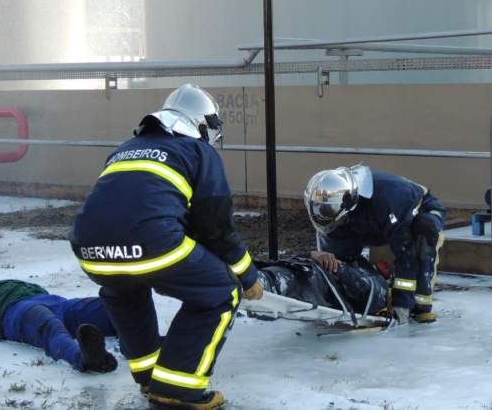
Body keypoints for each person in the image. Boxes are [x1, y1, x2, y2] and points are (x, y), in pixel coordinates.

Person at [70, 84, 262, 410]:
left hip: (91, 252)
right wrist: (246, 275)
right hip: (151, 245)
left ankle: (148, 378)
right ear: (202, 124)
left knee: (124, 290)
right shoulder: (199, 151)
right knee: (219, 291)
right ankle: (177, 388)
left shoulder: (126, 147)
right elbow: (215, 225)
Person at [304, 164, 446, 324]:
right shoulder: (338, 209)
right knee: (342, 261)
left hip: (419, 211)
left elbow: (407, 255)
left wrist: (402, 305)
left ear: (349, 203)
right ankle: (375, 285)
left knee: (423, 235)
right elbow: (338, 261)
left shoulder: (389, 198)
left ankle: (421, 306)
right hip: (370, 221)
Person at [255, 256, 390, 318]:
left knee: (301, 278)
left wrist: (340, 269)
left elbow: (368, 292)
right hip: (322, 278)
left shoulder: (380, 288)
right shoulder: (362, 264)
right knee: (297, 269)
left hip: (325, 287)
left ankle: (261, 281)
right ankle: (256, 278)